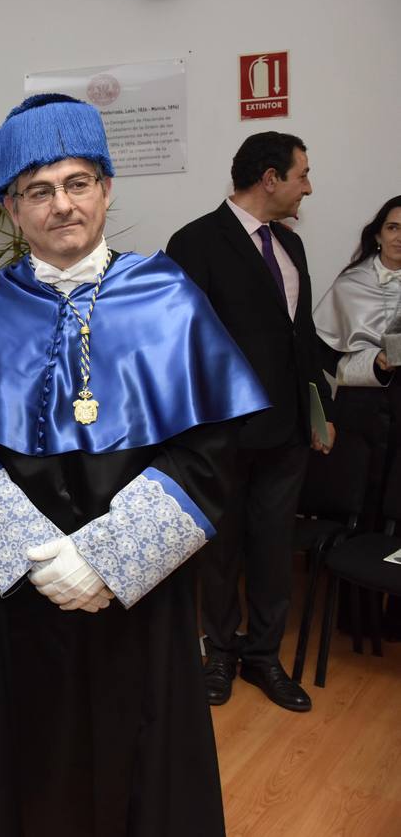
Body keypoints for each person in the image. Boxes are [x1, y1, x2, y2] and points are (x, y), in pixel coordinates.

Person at [0, 94, 267, 835]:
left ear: (107, 188)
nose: (62, 205)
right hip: (24, 596)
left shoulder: (170, 301)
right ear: (10, 208)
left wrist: (109, 559)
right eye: (38, 190)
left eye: (78, 182)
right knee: (30, 766)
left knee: (143, 764)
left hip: (140, 598)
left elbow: (211, 454)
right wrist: (40, 560)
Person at [167, 131, 335, 713]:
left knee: (271, 547)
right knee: (220, 550)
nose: (307, 187)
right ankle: (221, 654)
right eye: (302, 174)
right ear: (270, 178)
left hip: (286, 431)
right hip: (223, 432)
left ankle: (265, 656)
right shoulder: (194, 242)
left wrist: (320, 410)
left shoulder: (292, 247)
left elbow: (301, 339)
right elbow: (180, 343)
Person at [315, 195, 401, 639]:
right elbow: (327, 358)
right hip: (364, 408)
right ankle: (357, 617)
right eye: (393, 227)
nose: (400, 237)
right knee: (363, 505)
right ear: (378, 233)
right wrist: (377, 365)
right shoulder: (351, 283)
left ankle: (396, 620)